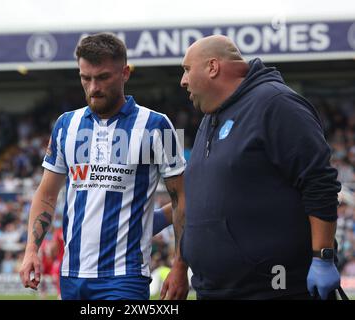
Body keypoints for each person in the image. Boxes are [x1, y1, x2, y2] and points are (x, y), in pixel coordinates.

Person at [19, 33, 189, 300]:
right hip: (72, 276)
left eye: (103, 77)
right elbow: (46, 194)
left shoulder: (159, 125)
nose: (93, 87)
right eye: (85, 78)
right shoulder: (66, 124)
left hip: (125, 277)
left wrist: (180, 265)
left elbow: (182, 199)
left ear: (125, 73)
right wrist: (31, 250)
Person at [175, 35, 342, 300]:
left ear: (213, 67)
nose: (183, 81)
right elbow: (208, 195)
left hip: (272, 288)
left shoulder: (276, 104)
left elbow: (318, 181)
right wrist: (173, 246)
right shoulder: (210, 118)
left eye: (186, 69)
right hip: (214, 289)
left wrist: (322, 256)